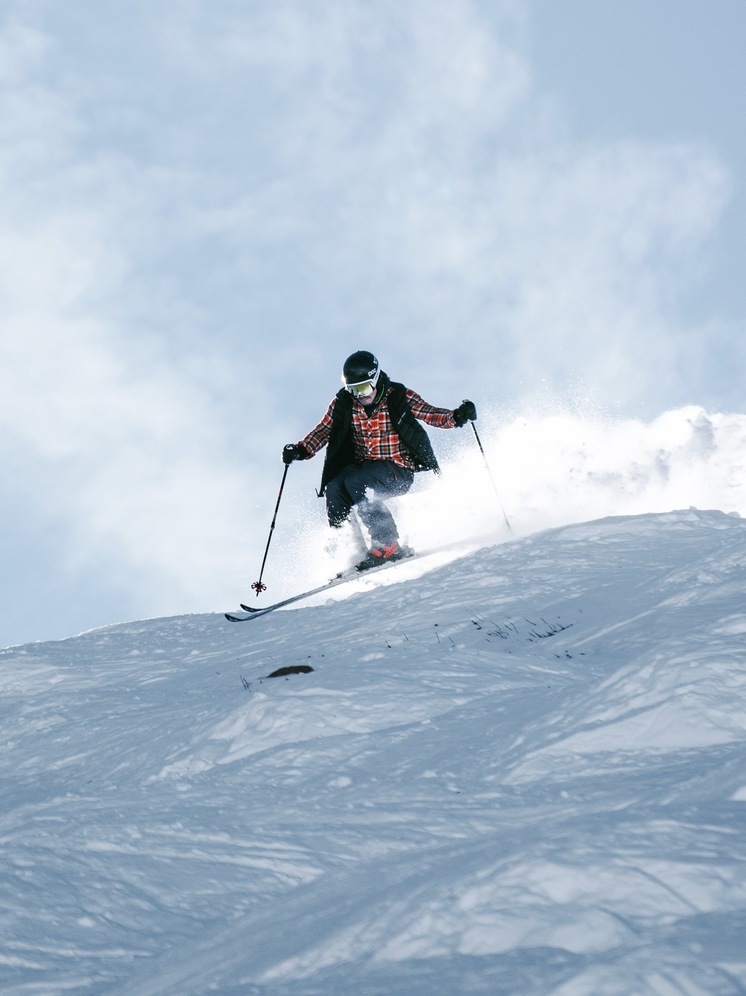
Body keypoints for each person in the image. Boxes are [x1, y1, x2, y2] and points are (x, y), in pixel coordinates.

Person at [282, 350, 477, 572]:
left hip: (398, 471)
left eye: (364, 388)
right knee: (335, 487)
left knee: (357, 481)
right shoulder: (344, 403)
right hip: (365, 468)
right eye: (353, 390)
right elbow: (324, 430)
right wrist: (301, 449)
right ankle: (351, 550)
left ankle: (388, 545)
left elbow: (430, 414)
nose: (360, 395)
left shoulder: (398, 396)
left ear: (375, 379)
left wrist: (458, 416)